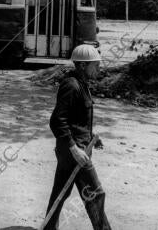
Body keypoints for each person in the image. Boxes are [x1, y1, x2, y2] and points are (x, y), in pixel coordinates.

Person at [43, 44, 111, 230]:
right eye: (94, 65)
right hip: (75, 152)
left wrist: (92, 138)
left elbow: (76, 120)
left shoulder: (81, 84)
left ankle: (49, 228)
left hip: (76, 148)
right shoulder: (72, 85)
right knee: (95, 194)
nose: (98, 68)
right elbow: (57, 121)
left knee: (60, 194)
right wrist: (74, 149)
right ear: (82, 65)